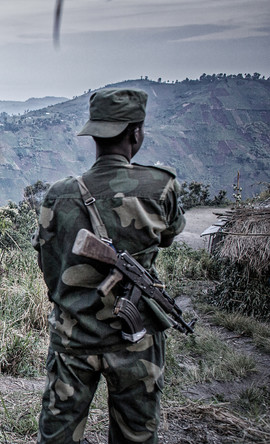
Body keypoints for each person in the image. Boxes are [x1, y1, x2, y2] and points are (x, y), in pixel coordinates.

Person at [32, 88, 186, 443]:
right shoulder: (160, 187)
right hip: (136, 341)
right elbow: (170, 235)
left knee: (57, 438)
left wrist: (75, 302)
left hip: (73, 339)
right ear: (136, 133)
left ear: (95, 135)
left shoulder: (59, 194)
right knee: (135, 437)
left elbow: (49, 264)